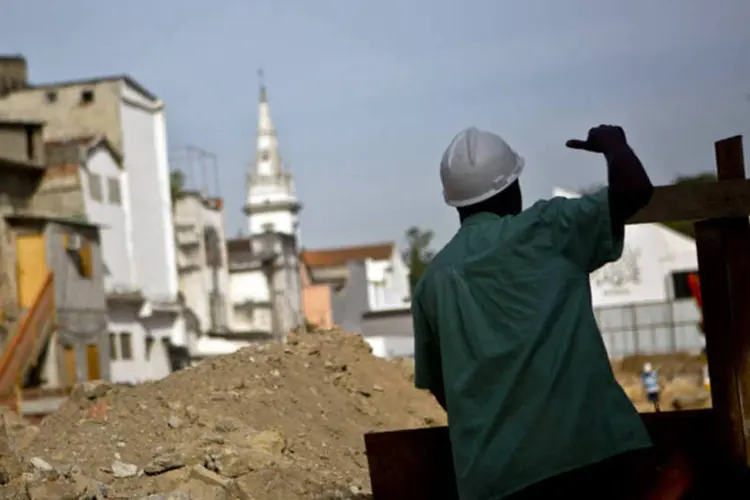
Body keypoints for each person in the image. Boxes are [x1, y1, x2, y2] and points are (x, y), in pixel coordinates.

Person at [411, 125, 656, 499]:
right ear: (514, 187)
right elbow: (635, 189)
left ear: (455, 202)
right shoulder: (549, 229)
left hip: (495, 482)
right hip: (594, 456)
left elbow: (443, 387)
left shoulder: (432, 282)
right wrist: (614, 146)